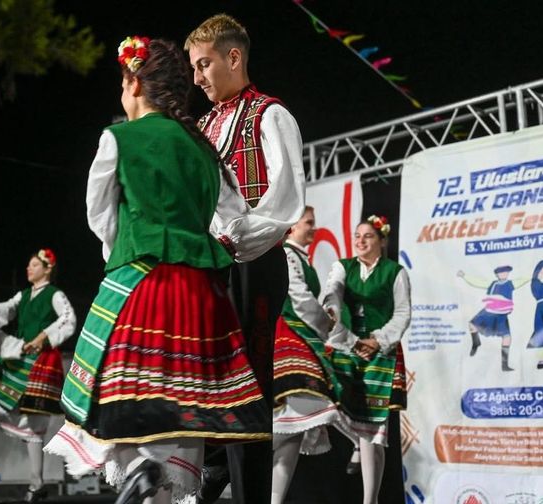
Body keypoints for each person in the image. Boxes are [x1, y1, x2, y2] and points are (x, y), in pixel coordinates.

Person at [45, 36, 273, 504]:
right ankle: (154, 479)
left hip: (142, 280)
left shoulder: (119, 138)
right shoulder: (203, 148)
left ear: (132, 82)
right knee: (186, 409)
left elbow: (100, 217)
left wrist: (126, 250)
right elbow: (233, 218)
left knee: (123, 402)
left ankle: (141, 471)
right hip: (204, 294)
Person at [185, 14, 306, 503]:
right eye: (194, 67)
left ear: (234, 57)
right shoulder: (200, 125)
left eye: (204, 64)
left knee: (247, 381)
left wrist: (235, 240)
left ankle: (247, 490)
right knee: (204, 372)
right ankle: (210, 469)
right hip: (209, 264)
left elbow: (286, 197)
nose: (197, 77)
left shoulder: (270, 114)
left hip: (252, 262)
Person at [271, 207, 360, 504]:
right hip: (287, 335)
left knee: (294, 426)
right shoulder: (285, 254)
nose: (313, 228)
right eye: (308, 222)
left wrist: (329, 313)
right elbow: (298, 297)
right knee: (300, 410)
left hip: (302, 335)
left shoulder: (300, 258)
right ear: (292, 225)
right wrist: (325, 322)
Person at [321, 215, 411, 504]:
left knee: (373, 430)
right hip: (348, 345)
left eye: (368, 236)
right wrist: (344, 332)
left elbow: (402, 313)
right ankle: (355, 443)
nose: (360, 240)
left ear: (382, 241)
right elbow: (332, 292)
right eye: (357, 235)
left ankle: (369, 501)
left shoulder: (395, 272)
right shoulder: (342, 267)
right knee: (325, 404)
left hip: (379, 352)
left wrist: (378, 340)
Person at [0, 248, 76, 501]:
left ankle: (36, 484)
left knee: (35, 423)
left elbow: (69, 319)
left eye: (34, 265)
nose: (28, 268)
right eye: (29, 264)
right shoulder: (23, 295)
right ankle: (37, 483)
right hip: (22, 358)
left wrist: (44, 336)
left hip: (43, 360)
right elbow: (6, 309)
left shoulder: (54, 294)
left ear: (47, 269)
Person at [458, 265, 529, 372]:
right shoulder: (492, 284)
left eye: (506, 272)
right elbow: (477, 282)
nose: (504, 274)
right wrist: (464, 276)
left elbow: (523, 280)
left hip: (501, 315)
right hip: (488, 313)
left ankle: (504, 365)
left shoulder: (511, 284)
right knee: (472, 325)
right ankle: (476, 342)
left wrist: (534, 275)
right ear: (497, 274)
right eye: (501, 273)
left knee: (507, 337)